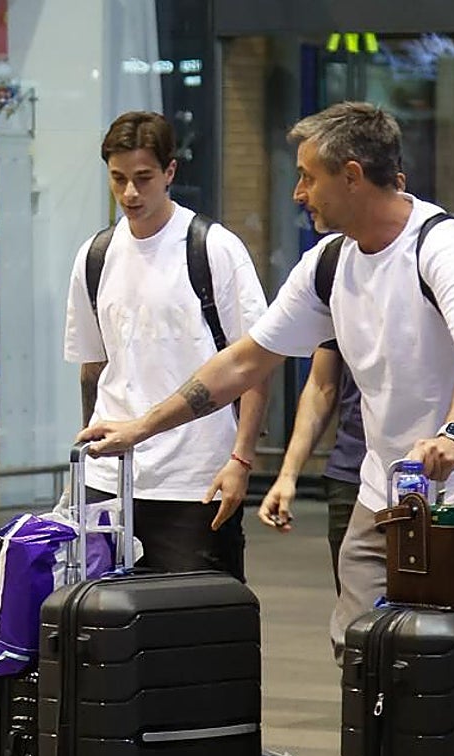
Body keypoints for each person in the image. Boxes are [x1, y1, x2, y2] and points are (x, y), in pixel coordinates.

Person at [79, 101, 454, 756]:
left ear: (353, 175)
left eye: (307, 178)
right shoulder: (330, 262)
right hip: (391, 489)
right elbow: (247, 360)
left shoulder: (444, 246)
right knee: (362, 647)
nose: (298, 193)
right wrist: (141, 426)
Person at [63, 111, 269, 580]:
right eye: (118, 179)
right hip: (110, 478)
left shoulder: (213, 248)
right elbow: (93, 367)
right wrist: (87, 460)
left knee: (195, 629)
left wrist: (241, 459)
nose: (130, 193)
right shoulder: (95, 256)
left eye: (143, 178)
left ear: (170, 172)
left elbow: (255, 364)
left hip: (195, 479)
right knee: (105, 628)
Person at [258, 341, 365, 595]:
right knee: (356, 614)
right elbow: (321, 386)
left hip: (444, 474)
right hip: (354, 471)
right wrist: (288, 475)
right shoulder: (337, 300)